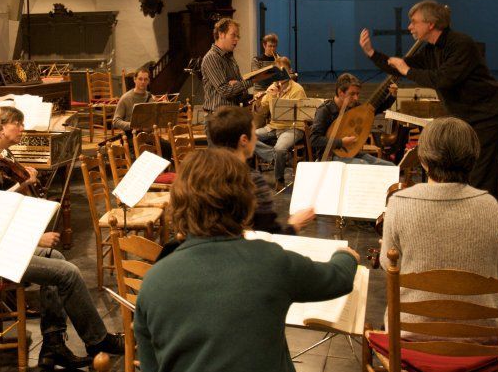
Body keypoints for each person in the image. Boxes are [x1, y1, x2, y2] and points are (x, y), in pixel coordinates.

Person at [133, 148, 359, 372]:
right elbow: (337, 279)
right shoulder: (270, 261)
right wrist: (345, 256)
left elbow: (150, 365)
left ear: (180, 203)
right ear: (245, 201)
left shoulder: (153, 281)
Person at [0, 102, 124, 371]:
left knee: (56, 257)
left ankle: (52, 345)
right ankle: (98, 341)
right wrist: (34, 240)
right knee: (68, 272)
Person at [360, 0, 498, 196]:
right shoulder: (431, 49)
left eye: (414, 21)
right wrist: (372, 53)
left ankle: (482, 221)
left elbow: (443, 79)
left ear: (430, 24)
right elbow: (402, 66)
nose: (409, 27)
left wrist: (407, 69)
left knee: (481, 177)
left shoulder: (461, 44)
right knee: (462, 174)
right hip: (463, 118)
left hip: (486, 118)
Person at [380, 116, 498, 340]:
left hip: (411, 338)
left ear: (423, 159)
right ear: (473, 158)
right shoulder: (490, 206)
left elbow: (390, 265)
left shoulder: (400, 202)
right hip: (480, 339)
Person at [205, 106, 314, 235]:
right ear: (244, 140)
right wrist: (295, 224)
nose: (256, 137)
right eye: (254, 132)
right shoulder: (251, 181)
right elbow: (270, 236)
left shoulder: (201, 173)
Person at [309, 73, 396, 166]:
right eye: (352, 94)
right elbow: (314, 140)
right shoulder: (325, 110)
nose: (356, 98)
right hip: (329, 158)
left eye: (357, 94)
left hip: (352, 154)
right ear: (340, 92)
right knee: (366, 166)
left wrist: (392, 96)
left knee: (390, 166)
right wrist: (341, 142)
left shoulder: (353, 106)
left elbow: (373, 110)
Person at [253, 67, 308, 186]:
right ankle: (275, 158)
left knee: (279, 149)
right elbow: (262, 111)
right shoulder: (273, 86)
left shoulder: (297, 89)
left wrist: (275, 97)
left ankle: (279, 180)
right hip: (274, 127)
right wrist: (258, 101)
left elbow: (284, 114)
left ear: (288, 71)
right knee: (248, 136)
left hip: (293, 127)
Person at [200, 18, 254, 114]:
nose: (236, 39)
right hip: (217, 117)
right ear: (221, 34)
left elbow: (237, 87)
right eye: (233, 35)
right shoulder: (212, 57)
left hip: (231, 114)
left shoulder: (229, 58)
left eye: (238, 36)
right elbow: (226, 91)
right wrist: (252, 80)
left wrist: (252, 97)